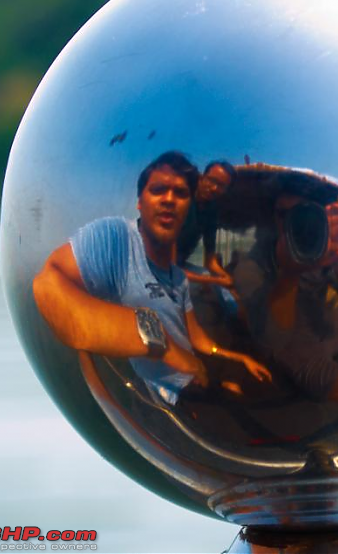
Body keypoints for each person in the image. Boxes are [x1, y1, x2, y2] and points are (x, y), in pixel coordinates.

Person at [32, 151, 271, 406]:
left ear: (189, 204)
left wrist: (237, 358)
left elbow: (200, 340)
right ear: (139, 201)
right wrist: (159, 341)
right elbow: (46, 286)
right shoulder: (118, 238)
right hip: (155, 405)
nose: (169, 199)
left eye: (180, 193)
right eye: (158, 190)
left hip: (193, 391)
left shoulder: (178, 279)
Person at [232, 188, 338, 405]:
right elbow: (273, 337)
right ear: (273, 218)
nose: (290, 221)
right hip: (293, 340)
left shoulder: (323, 244)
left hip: (323, 320)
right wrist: (289, 273)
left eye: (300, 213)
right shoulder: (253, 265)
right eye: (283, 214)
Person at [177, 160, 236, 287]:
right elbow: (166, 267)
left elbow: (210, 261)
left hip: (179, 265)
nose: (214, 188)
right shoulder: (182, 200)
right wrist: (216, 281)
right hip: (154, 264)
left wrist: (226, 277)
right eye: (212, 180)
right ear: (201, 178)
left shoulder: (211, 211)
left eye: (221, 185)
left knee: (225, 292)